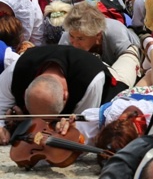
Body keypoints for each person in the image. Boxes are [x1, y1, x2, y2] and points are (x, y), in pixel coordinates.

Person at [0, 44, 130, 145]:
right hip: (77, 62)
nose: (41, 127)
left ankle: (135, 50)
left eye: (47, 120)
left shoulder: (91, 82)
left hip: (114, 82)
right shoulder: (16, 70)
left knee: (129, 61)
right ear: (26, 91)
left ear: (65, 96)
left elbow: (82, 130)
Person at [59, 2, 140, 88]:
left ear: (97, 35)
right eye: (71, 36)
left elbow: (129, 69)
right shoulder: (66, 37)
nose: (74, 43)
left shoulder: (115, 33)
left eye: (80, 38)